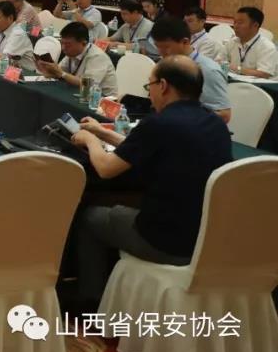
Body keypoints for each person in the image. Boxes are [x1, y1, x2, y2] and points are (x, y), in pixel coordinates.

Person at [70, 56, 232, 306]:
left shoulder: (158, 123)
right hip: (207, 237)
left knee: (90, 216)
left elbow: (105, 169)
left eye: (150, 86)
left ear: (163, 86)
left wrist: (90, 141)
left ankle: (90, 301)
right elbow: (144, 147)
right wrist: (101, 132)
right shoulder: (215, 123)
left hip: (165, 242)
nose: (150, 93)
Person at [150, 17, 230, 122]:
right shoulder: (165, 64)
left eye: (166, 47)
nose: (161, 53)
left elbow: (224, 115)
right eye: (157, 46)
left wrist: (181, 114)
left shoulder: (208, 70)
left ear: (185, 42)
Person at [35, 21, 118, 97]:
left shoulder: (97, 57)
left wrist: (61, 74)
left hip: (102, 100)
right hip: (80, 94)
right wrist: (48, 70)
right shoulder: (71, 53)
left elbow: (87, 85)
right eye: (62, 43)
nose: (63, 48)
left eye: (68, 44)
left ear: (83, 42)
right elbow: (59, 72)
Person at [224, 6, 277, 79]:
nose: (235, 26)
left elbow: (264, 74)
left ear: (255, 25)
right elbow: (220, 62)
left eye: (240, 23)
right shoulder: (232, 42)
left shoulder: (267, 47)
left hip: (259, 85)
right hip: (233, 82)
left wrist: (237, 69)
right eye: (234, 22)